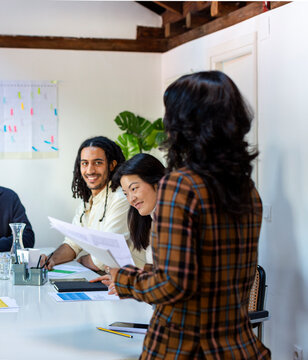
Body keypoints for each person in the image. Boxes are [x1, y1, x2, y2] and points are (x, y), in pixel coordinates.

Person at [94, 71, 271, 358]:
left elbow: (174, 284)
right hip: (237, 346)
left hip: (184, 347)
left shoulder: (180, 186)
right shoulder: (247, 189)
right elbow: (203, 271)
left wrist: (124, 279)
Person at [43, 136, 146, 272]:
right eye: (85, 163)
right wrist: (51, 260)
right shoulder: (88, 201)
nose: (90, 170)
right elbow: (72, 243)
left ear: (112, 165)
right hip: (109, 279)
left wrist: (81, 260)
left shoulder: (121, 198)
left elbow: (105, 258)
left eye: (97, 163)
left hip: (136, 282)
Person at [111, 153, 165, 269]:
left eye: (134, 189)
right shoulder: (151, 220)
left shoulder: (170, 221)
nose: (131, 199)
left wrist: (126, 281)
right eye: (126, 194)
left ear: (156, 183)